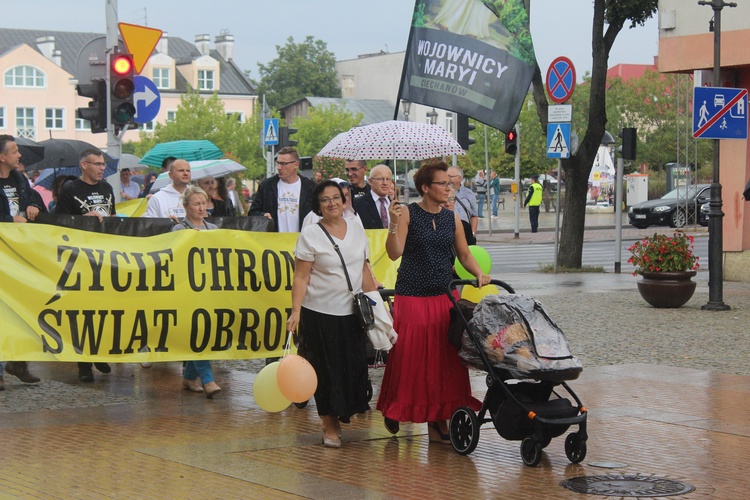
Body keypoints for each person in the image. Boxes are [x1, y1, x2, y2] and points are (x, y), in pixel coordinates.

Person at [376, 161, 490, 443]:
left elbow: (463, 254)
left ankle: (438, 419)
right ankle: (396, 406)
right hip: (412, 294)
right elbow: (394, 253)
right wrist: (392, 223)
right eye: (442, 184)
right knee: (408, 358)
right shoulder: (408, 213)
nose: (448, 189)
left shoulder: (452, 219)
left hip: (444, 295)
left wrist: (478, 273)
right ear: (425, 188)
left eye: (449, 184)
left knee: (443, 361)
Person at [287, 180, 377, 448]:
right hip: (319, 315)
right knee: (325, 373)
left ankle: (343, 412)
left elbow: (364, 271)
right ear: (318, 205)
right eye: (325, 199)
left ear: (345, 200)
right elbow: (301, 277)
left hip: (351, 314)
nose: (332, 203)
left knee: (352, 370)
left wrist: (378, 304)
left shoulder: (358, 230)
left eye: (336, 197)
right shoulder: (310, 235)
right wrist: (296, 312)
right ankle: (329, 426)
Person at [55, 148, 116, 382]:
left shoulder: (107, 188)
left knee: (104, 310)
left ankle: (98, 352)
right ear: (84, 165)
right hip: (80, 257)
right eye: (97, 164)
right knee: (83, 312)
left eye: (103, 164)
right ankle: (83, 363)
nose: (102, 168)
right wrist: (83, 220)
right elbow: (60, 222)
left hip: (105, 255)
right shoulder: (70, 189)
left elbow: (113, 215)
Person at [0, 135, 45, 389]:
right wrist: (8, 221)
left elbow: (30, 198)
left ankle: (18, 362)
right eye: (15, 152)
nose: (19, 156)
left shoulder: (19, 178)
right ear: (2, 157)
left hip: (19, 253)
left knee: (23, 306)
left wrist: (31, 207)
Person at [172, 185, 222, 398]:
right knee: (197, 332)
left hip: (210, 288)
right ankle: (208, 380)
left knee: (206, 332)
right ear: (186, 206)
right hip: (188, 290)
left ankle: (190, 377)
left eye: (204, 203)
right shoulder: (178, 230)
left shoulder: (213, 228)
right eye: (196, 204)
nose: (201, 208)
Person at [249, 146, 314, 232]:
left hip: (302, 242)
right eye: (278, 163)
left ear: (296, 165)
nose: (279, 167)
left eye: (284, 164)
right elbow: (252, 213)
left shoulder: (309, 187)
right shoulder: (267, 186)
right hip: (274, 242)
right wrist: (263, 215)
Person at [353, 164, 393, 229]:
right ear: (370, 181)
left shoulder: (395, 206)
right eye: (380, 179)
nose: (385, 183)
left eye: (388, 179)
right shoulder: (357, 204)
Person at [448, 166, 478, 245]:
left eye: (450, 176)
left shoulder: (468, 193)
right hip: (448, 234)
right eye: (447, 176)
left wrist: (473, 233)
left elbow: (474, 215)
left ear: (459, 178)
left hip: (466, 233)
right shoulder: (443, 192)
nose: (448, 179)